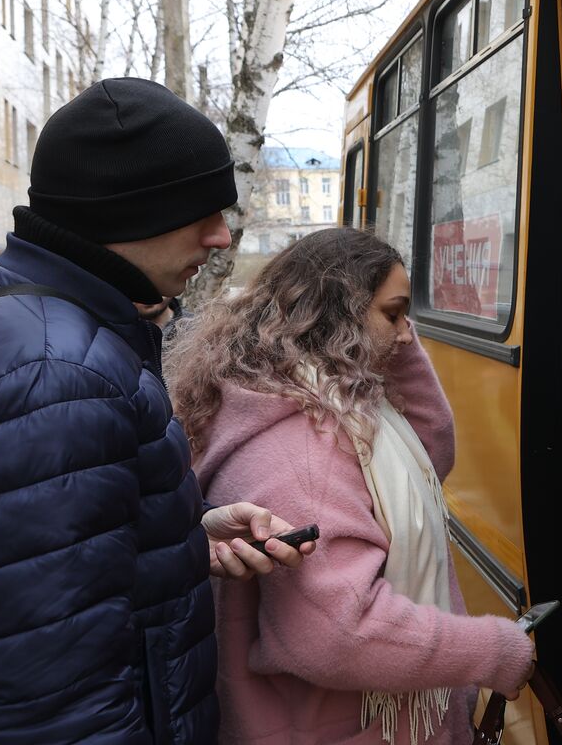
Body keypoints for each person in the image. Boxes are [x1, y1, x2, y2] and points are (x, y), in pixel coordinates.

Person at [0, 78, 312, 742]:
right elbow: (56, 708)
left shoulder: (17, 313)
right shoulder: (56, 377)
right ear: (128, 214)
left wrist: (181, 534)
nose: (221, 237)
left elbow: (39, 566)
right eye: (203, 212)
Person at [168, 228, 535, 745]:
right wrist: (495, 650)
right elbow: (338, 633)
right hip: (343, 727)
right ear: (337, 314)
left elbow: (431, 452)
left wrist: (388, 342)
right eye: (393, 314)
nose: (408, 334)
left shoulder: (298, 396)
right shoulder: (306, 449)